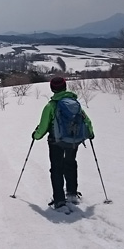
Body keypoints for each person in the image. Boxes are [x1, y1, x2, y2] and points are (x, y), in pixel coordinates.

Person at [32, 77, 94, 211]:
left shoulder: (51, 106)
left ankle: (59, 200)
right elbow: (86, 120)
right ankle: (72, 193)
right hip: (73, 140)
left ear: (52, 88)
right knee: (70, 163)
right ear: (65, 87)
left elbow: (43, 127)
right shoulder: (75, 103)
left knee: (56, 168)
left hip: (56, 142)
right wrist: (90, 133)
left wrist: (35, 135)